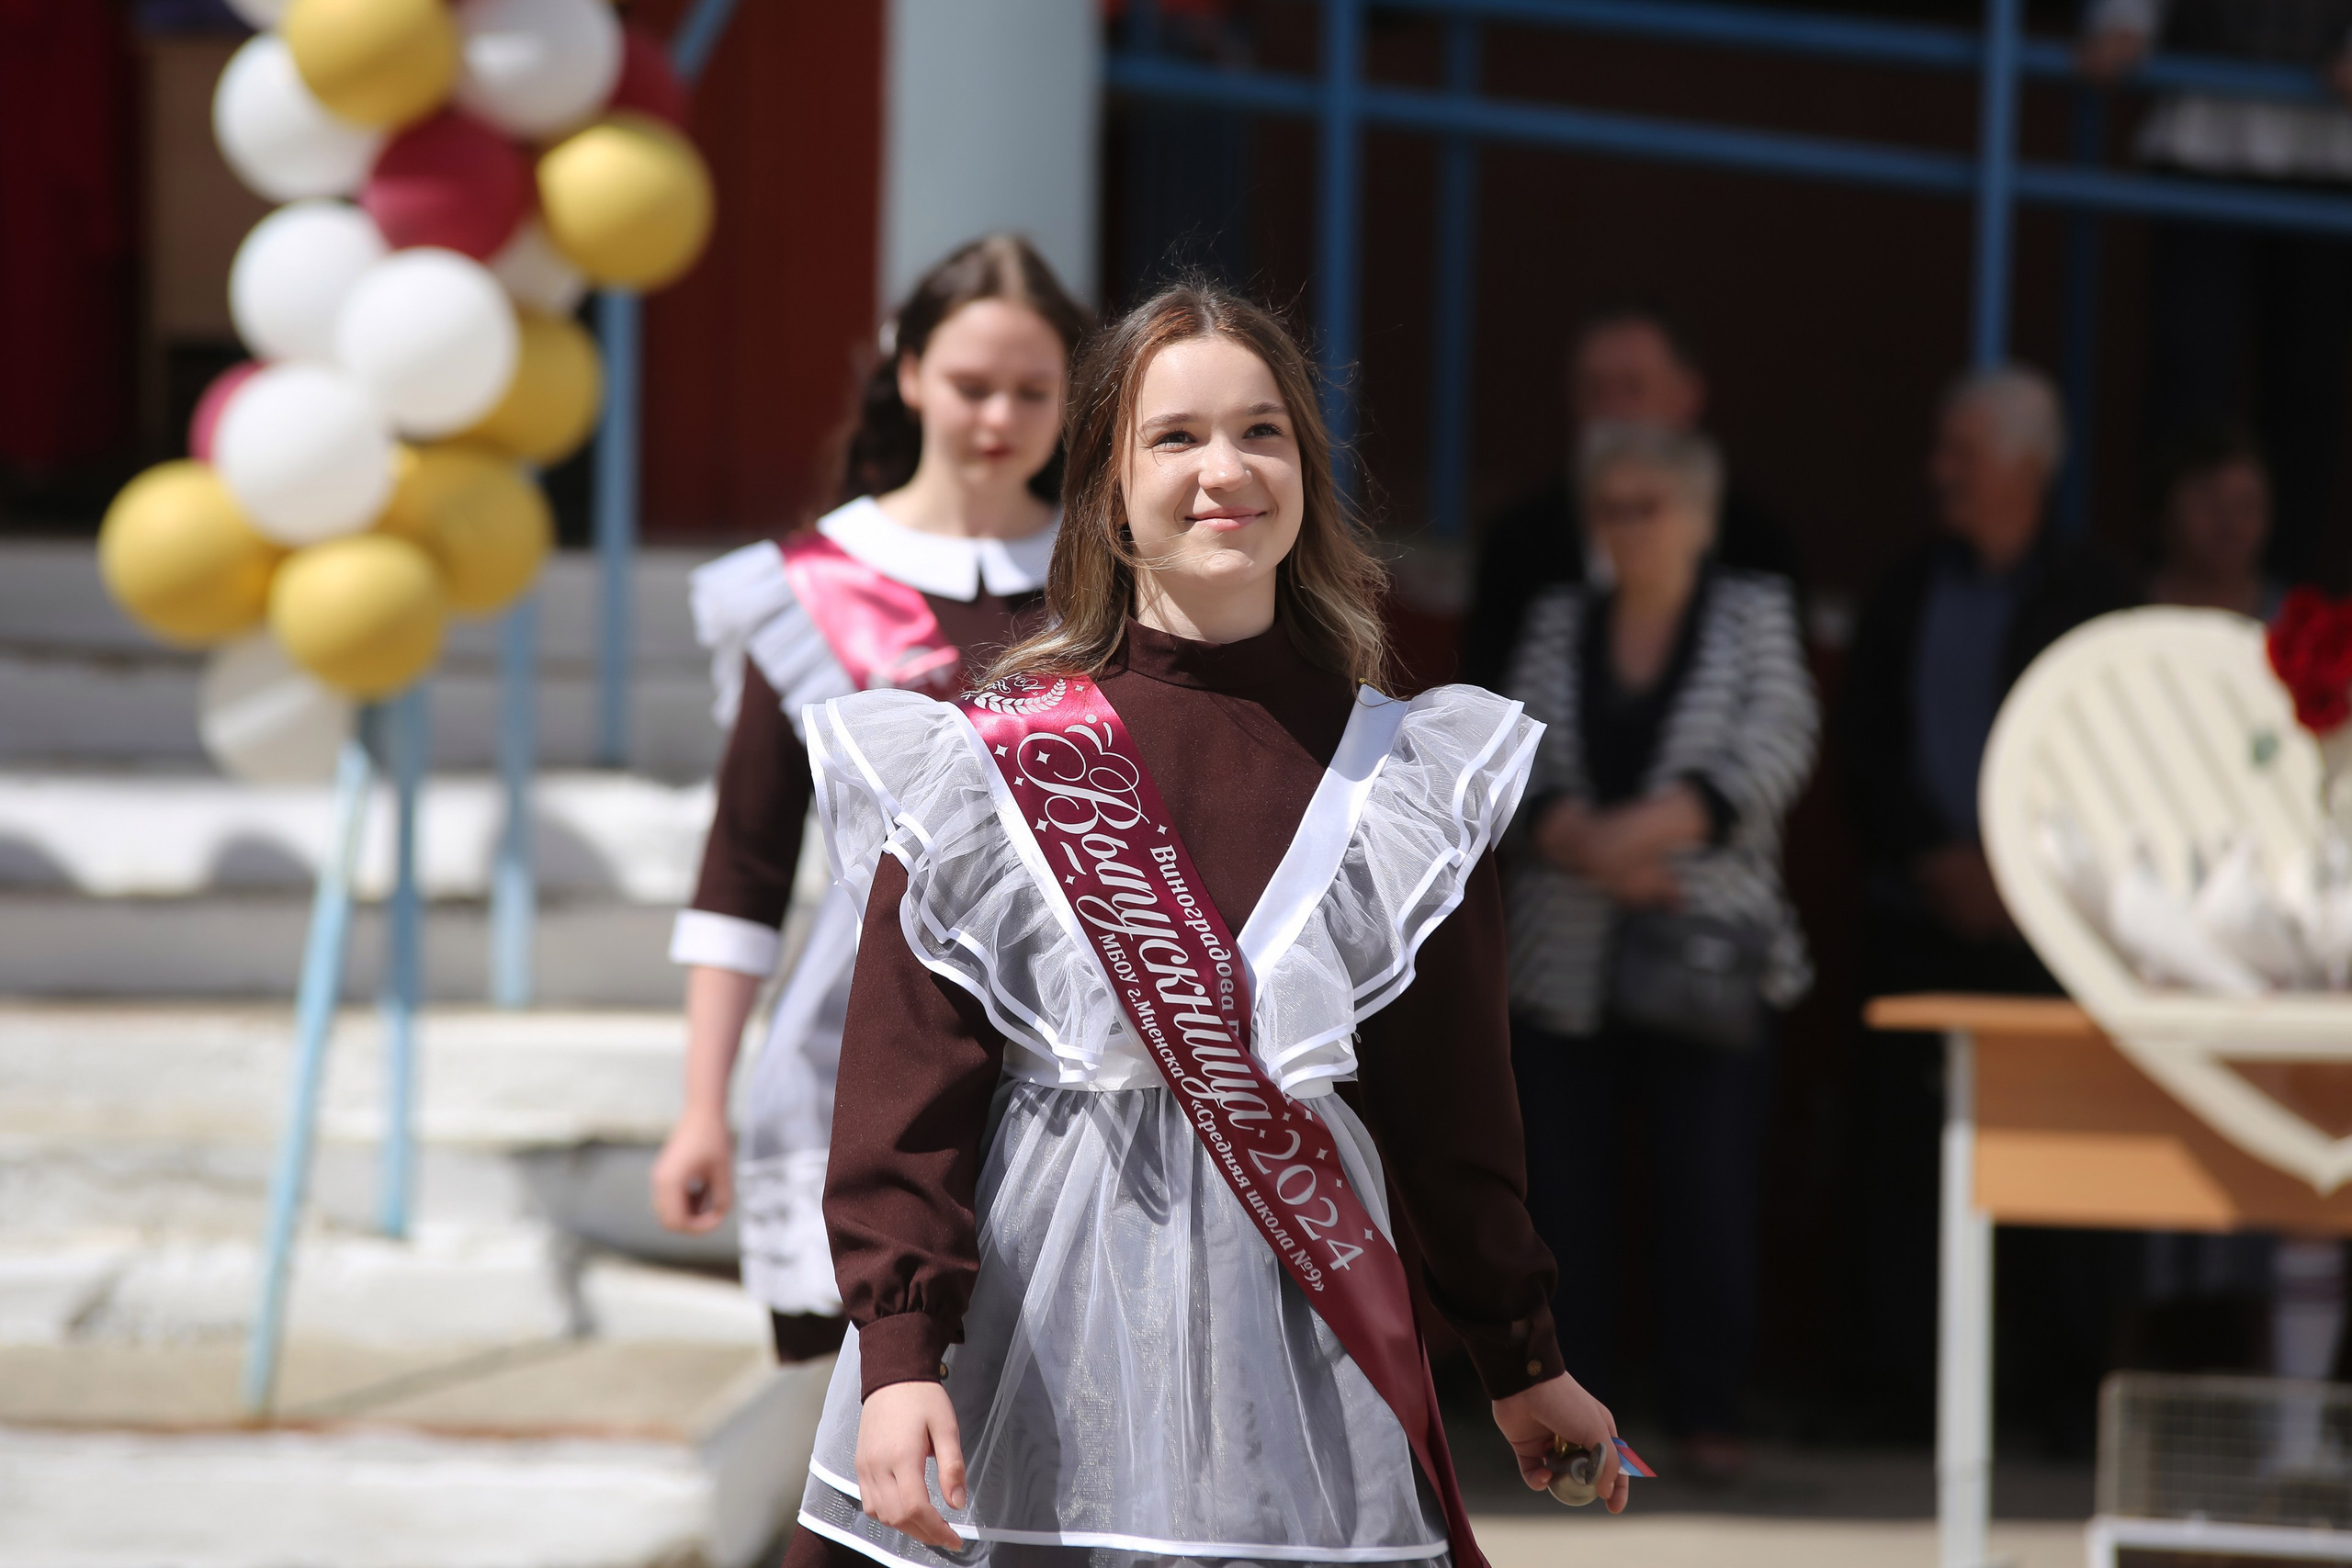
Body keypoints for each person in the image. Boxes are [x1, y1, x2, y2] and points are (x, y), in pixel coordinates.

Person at [784, 280, 1626, 1568]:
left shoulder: (1405, 778)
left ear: (1308, 472)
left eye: (1263, 431)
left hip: (1296, 1355)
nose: (1224, 469)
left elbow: (1455, 1110)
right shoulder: (987, 767)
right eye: (1173, 437)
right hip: (1034, 1354)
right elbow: (912, 1087)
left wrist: (1524, 1355)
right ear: (1107, 488)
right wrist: (899, 1353)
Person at [648, 236, 1090, 1363]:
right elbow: (743, 866)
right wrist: (703, 1103)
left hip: (1079, 1043)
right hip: (861, 1045)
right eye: (970, 385)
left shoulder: (1109, 578)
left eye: (1034, 391)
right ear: (908, 377)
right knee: (868, 1430)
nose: (1000, 415)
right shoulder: (804, 588)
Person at [1502, 423, 1817, 1483]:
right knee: (1568, 1203)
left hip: (1708, 956)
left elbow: (1775, 750)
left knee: (1708, 1190)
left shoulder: (1754, 615)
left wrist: (1623, 841)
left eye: (1648, 505)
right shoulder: (1557, 618)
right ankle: (1585, 1428)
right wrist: (1594, 852)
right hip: (1568, 964)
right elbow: (1517, 759)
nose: (1626, 527)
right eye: (1610, 507)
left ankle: (1708, 1411)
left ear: (1697, 516)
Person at [1841, 365, 2138, 1439]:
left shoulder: (2098, 598)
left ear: (2026, 467)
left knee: (2060, 1176)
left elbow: (2114, 760)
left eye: (1963, 454)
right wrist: (1936, 860)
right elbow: (1864, 751)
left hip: (2050, 931)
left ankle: (2057, 1404)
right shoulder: (1906, 587)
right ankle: (1907, 1399)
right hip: (1921, 918)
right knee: (1904, 1171)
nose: (1941, 473)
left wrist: (2024, 878)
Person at [2081, 0, 2352, 588]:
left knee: (2306, 384)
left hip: (2331, 133)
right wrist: (2123, 23)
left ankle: (2280, 610)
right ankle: (2167, 584)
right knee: (2190, 372)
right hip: (2204, 113)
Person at [1460, 304, 1804, 693]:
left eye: (1633, 388)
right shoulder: (1518, 544)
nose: (1613, 412)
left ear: (1688, 397)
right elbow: (1488, 710)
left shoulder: (1756, 546)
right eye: (1594, 390)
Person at [2146, 428, 2286, 619]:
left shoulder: (2293, 624)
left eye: (2246, 506)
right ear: (2163, 512)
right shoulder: (2119, 614)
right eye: (2209, 504)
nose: (2230, 524)